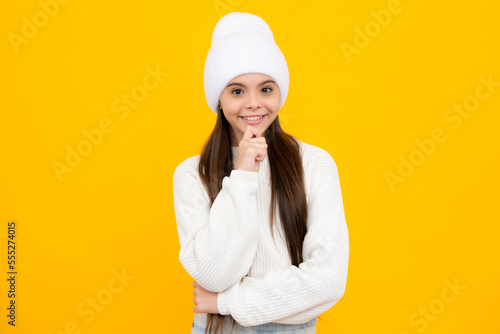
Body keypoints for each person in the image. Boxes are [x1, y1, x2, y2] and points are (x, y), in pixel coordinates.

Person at [173, 12, 349, 334]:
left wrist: (226, 301)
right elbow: (215, 275)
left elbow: (328, 279)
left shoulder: (313, 163)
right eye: (237, 91)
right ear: (218, 100)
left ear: (279, 93)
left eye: (266, 89)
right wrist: (242, 176)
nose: (254, 104)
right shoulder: (191, 175)